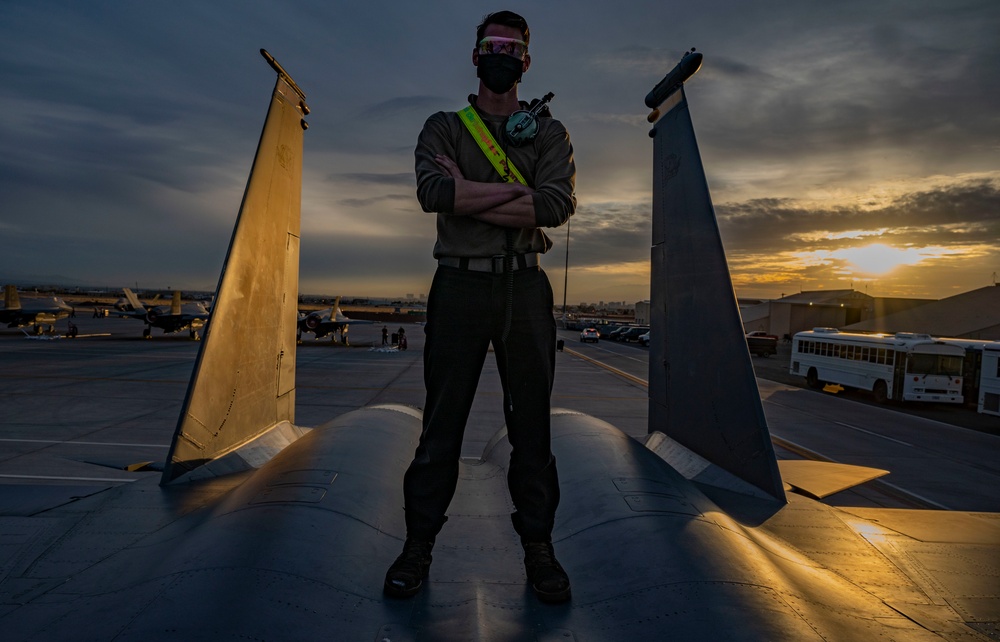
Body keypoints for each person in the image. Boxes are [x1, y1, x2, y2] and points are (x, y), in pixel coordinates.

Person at [384, 10, 576, 604]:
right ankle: (418, 546)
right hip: (458, 287)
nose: (502, 54)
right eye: (492, 45)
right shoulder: (443, 126)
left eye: (512, 47)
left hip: (525, 286)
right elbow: (433, 193)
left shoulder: (549, 133)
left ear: (526, 60)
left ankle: (539, 548)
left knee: (533, 431)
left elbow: (554, 207)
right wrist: (516, 193)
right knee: (440, 427)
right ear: (475, 56)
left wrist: (471, 196)